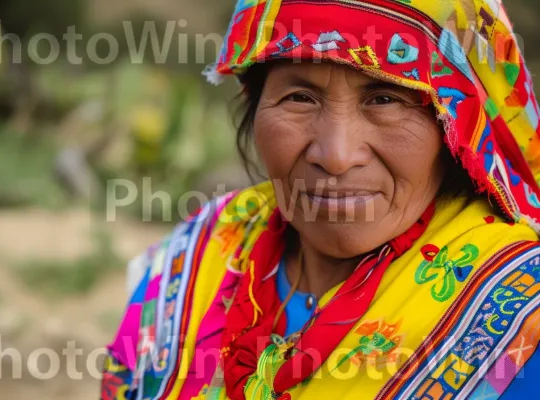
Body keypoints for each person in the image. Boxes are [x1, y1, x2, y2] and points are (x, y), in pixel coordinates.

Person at [101, 1, 540, 399]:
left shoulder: (520, 313)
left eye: (385, 98)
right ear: (255, 108)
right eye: (300, 98)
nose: (335, 155)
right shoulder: (199, 249)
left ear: (455, 125)